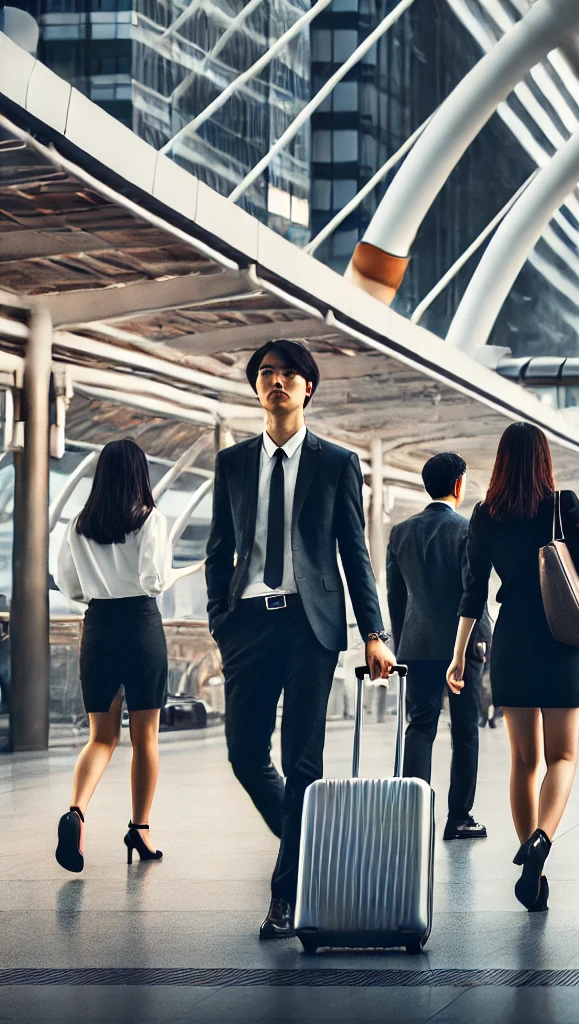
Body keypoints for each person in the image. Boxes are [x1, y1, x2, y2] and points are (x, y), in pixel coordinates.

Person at [204, 340, 395, 940]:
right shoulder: (232, 463)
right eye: (266, 374)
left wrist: (375, 632)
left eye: (289, 374)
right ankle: (309, 845)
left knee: (303, 763)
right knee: (244, 754)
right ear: (257, 388)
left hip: (311, 627)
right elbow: (218, 550)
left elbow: (355, 554)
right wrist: (220, 619)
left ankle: (284, 897)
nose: (277, 382)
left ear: (308, 387)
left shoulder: (336, 462)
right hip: (249, 624)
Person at [449, 423, 579, 912]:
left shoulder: (484, 514)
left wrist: (458, 657)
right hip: (559, 640)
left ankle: (531, 871)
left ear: (501, 461)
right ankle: (542, 839)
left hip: (511, 640)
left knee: (523, 761)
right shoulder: (563, 504)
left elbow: (472, 592)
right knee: (562, 757)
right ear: (543, 459)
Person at [53, 439, 173, 873]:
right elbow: (153, 580)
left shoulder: (78, 525)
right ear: (140, 474)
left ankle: (76, 812)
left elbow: (70, 587)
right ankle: (139, 829)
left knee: (101, 737)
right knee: (146, 738)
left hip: (98, 627)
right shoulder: (150, 520)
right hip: (140, 625)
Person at [387, 452, 490, 842]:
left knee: (420, 726)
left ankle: (413, 815)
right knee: (464, 732)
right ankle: (458, 817)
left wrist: (402, 645)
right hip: (460, 649)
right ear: (459, 485)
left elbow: (395, 597)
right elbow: (474, 592)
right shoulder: (467, 530)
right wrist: (481, 639)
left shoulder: (400, 532)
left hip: (415, 647)